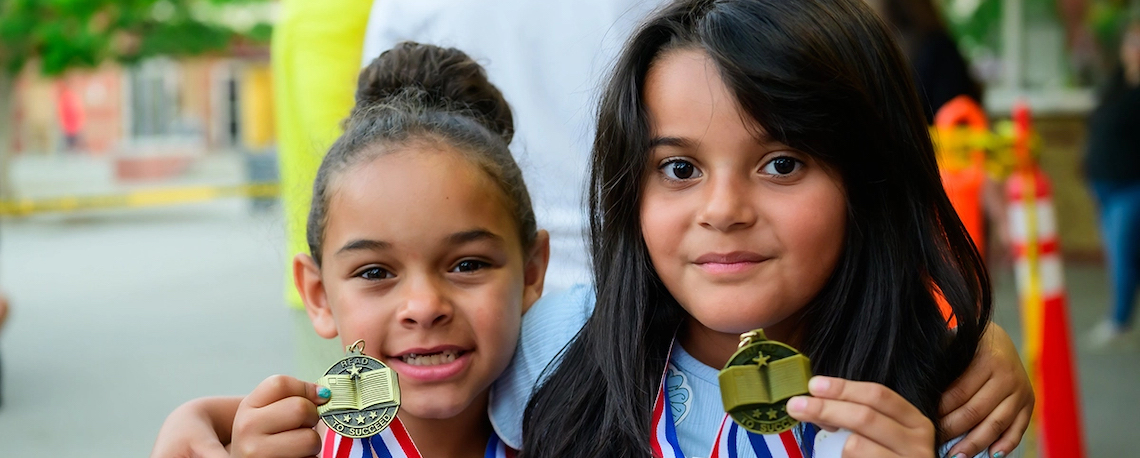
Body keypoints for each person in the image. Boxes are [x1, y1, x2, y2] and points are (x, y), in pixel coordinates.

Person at [510, 0, 1026, 457]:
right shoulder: (551, 346)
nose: (723, 210)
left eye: (781, 165)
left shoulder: (954, 411)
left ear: (872, 181)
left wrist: (956, 348)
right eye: (680, 168)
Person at [151, 42, 550, 457]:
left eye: (467, 265)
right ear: (319, 295)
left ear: (532, 271)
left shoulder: (590, 429)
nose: (424, 305)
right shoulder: (276, 448)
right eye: (376, 272)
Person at [1086, 19, 1140, 348]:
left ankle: (1119, 320)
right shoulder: (1116, 83)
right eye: (1132, 43)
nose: (1135, 51)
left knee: (1122, 254)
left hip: (1130, 186)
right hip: (1103, 184)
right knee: (1122, 254)